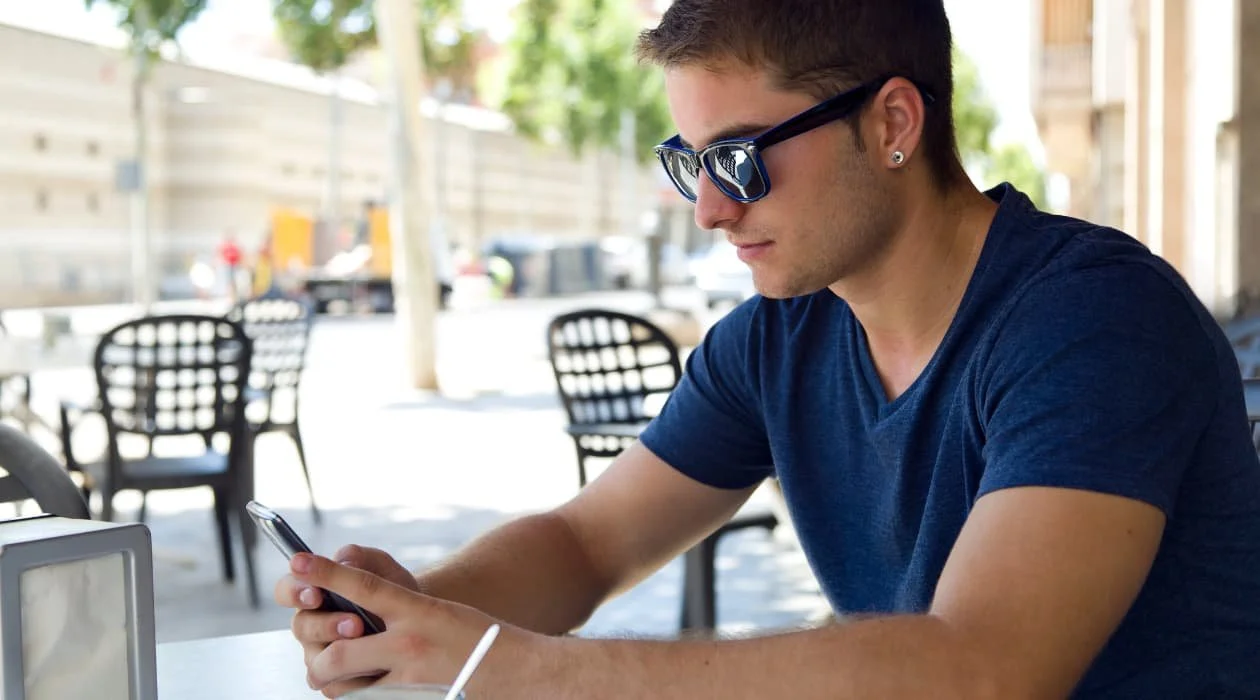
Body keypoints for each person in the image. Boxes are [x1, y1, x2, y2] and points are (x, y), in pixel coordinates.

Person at [276, 1, 1260, 697]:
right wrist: (415, 613)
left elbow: (980, 670)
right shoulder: (778, 337)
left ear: (893, 122)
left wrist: (521, 668)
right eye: (689, 162)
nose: (710, 206)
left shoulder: (1093, 321)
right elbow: (586, 542)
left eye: (741, 158)